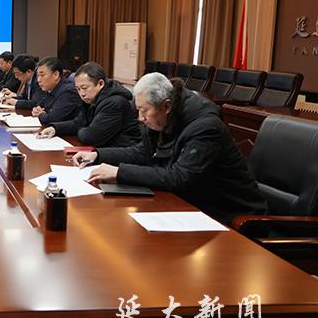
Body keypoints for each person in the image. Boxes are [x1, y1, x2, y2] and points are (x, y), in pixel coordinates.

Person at [74, 73, 268, 224]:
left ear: (166, 106)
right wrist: (98, 154)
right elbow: (142, 152)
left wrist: (119, 173)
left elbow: (180, 177)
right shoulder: (163, 117)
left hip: (228, 215)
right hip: (193, 206)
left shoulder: (206, 127)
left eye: (144, 111)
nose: (140, 118)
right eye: (138, 110)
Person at [38, 62, 141, 147]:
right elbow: (78, 122)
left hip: (121, 155)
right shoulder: (90, 99)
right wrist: (55, 129)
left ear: (100, 84)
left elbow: (90, 137)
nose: (82, 94)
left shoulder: (114, 103)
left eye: (84, 88)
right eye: (78, 89)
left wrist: (83, 127)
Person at [29, 56, 81, 126]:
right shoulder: (51, 89)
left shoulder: (68, 91)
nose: (38, 80)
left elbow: (53, 119)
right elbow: (39, 105)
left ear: (56, 75)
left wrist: (41, 114)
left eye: (42, 75)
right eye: (38, 76)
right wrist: (37, 111)